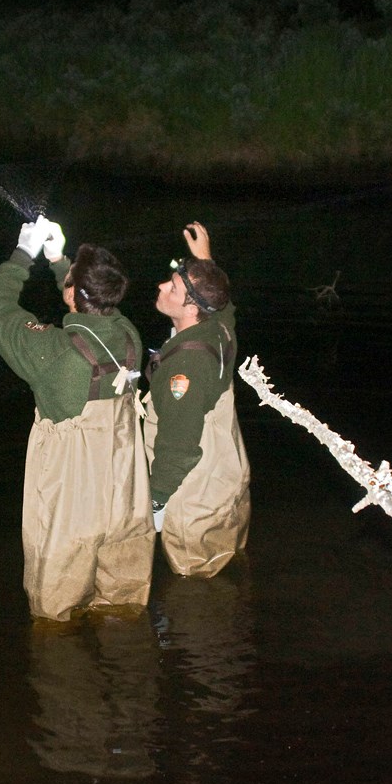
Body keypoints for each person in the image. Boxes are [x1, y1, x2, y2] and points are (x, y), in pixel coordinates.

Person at [0, 215, 155, 621]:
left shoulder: (55, 354)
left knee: (56, 601)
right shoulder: (129, 335)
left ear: (73, 292)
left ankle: (63, 671)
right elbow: (96, 306)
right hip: (124, 488)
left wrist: (23, 255)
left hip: (73, 492)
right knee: (123, 598)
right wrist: (62, 260)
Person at [144, 221, 251, 578]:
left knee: (196, 587)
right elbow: (226, 309)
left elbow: (179, 447)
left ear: (192, 308)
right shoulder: (218, 329)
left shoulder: (185, 370)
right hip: (228, 475)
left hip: (196, 493)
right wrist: (204, 259)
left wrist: (154, 501)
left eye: (172, 287)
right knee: (229, 566)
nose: (161, 286)